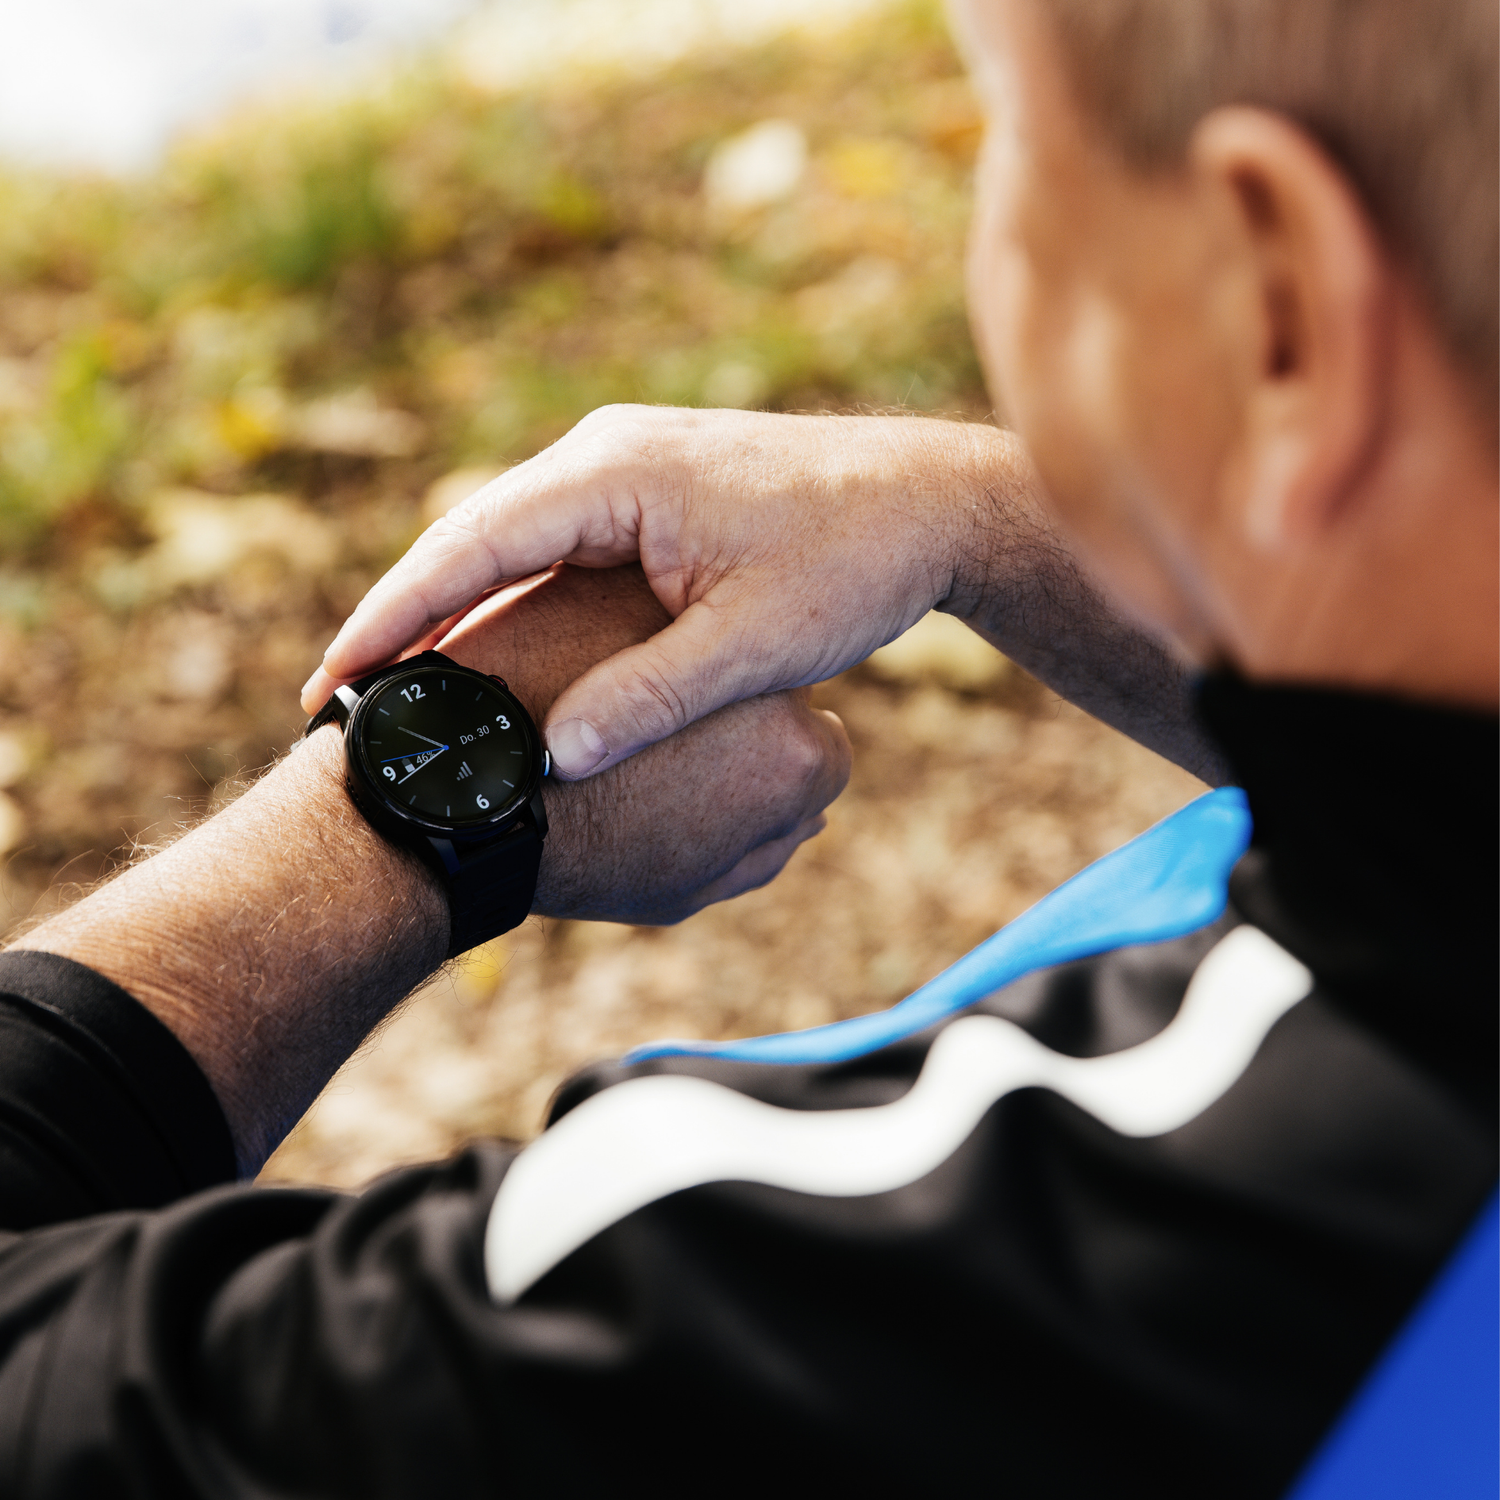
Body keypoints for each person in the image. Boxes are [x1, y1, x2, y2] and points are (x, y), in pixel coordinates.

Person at [0, 0, 1494, 1493]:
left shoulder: (901, 1275)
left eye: (1013, 139)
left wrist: (408, 816)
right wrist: (967, 518)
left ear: (1276, 301)